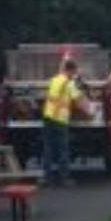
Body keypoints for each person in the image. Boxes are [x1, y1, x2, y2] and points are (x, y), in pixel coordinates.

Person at [41, 56, 81, 186]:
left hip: (48, 117)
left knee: (48, 149)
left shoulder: (54, 80)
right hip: (60, 119)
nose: (74, 74)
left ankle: (46, 178)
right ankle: (64, 179)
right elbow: (77, 99)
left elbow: (49, 96)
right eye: (74, 72)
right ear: (70, 70)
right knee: (63, 149)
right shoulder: (68, 83)